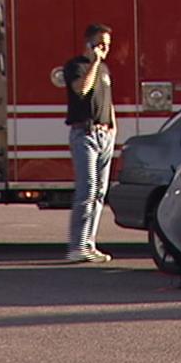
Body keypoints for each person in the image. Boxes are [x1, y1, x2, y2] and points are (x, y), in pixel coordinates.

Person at [64, 23, 116, 263]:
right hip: (84, 134)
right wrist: (94, 62)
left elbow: (107, 101)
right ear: (89, 44)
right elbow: (81, 91)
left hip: (104, 134)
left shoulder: (105, 70)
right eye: (100, 44)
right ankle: (77, 246)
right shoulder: (77, 67)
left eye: (107, 44)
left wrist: (113, 127)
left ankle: (89, 243)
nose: (105, 49)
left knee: (100, 193)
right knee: (87, 189)